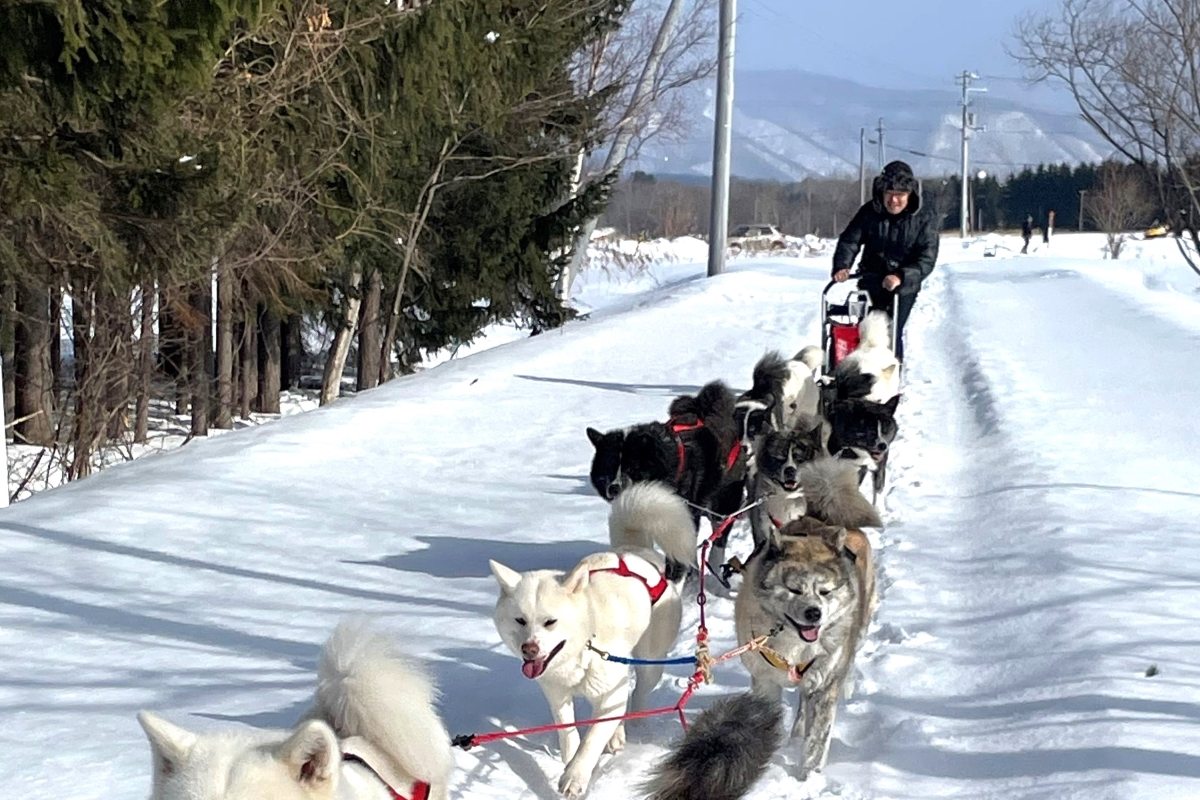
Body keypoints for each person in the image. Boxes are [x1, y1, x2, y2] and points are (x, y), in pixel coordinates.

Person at [831, 160, 938, 362]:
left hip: (903, 287)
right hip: (870, 280)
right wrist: (842, 266)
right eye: (889, 193)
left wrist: (901, 276)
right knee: (864, 331)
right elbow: (850, 240)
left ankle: (891, 377)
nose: (894, 200)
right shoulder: (869, 213)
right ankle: (858, 375)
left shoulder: (923, 219)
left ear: (910, 195)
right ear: (881, 192)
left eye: (900, 195)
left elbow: (927, 258)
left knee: (889, 332)